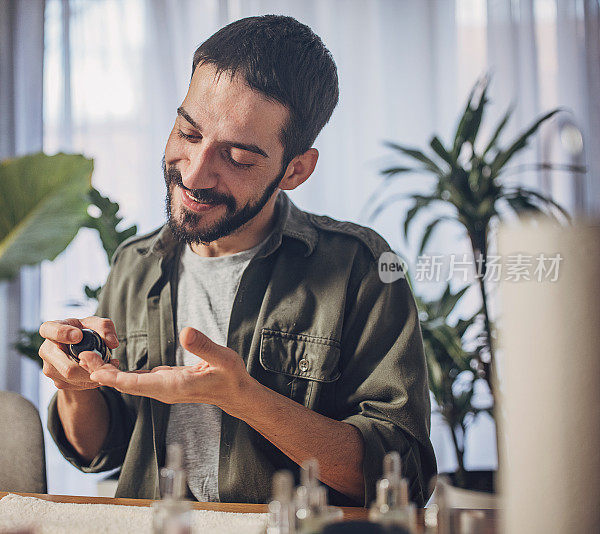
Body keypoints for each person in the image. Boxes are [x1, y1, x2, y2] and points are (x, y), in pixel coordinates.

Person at [38, 14, 435, 507]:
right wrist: (75, 386)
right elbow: (101, 451)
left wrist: (242, 397)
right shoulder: (135, 264)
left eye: (240, 159)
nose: (197, 173)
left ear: (295, 170)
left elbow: (402, 477)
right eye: (188, 133)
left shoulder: (361, 269)